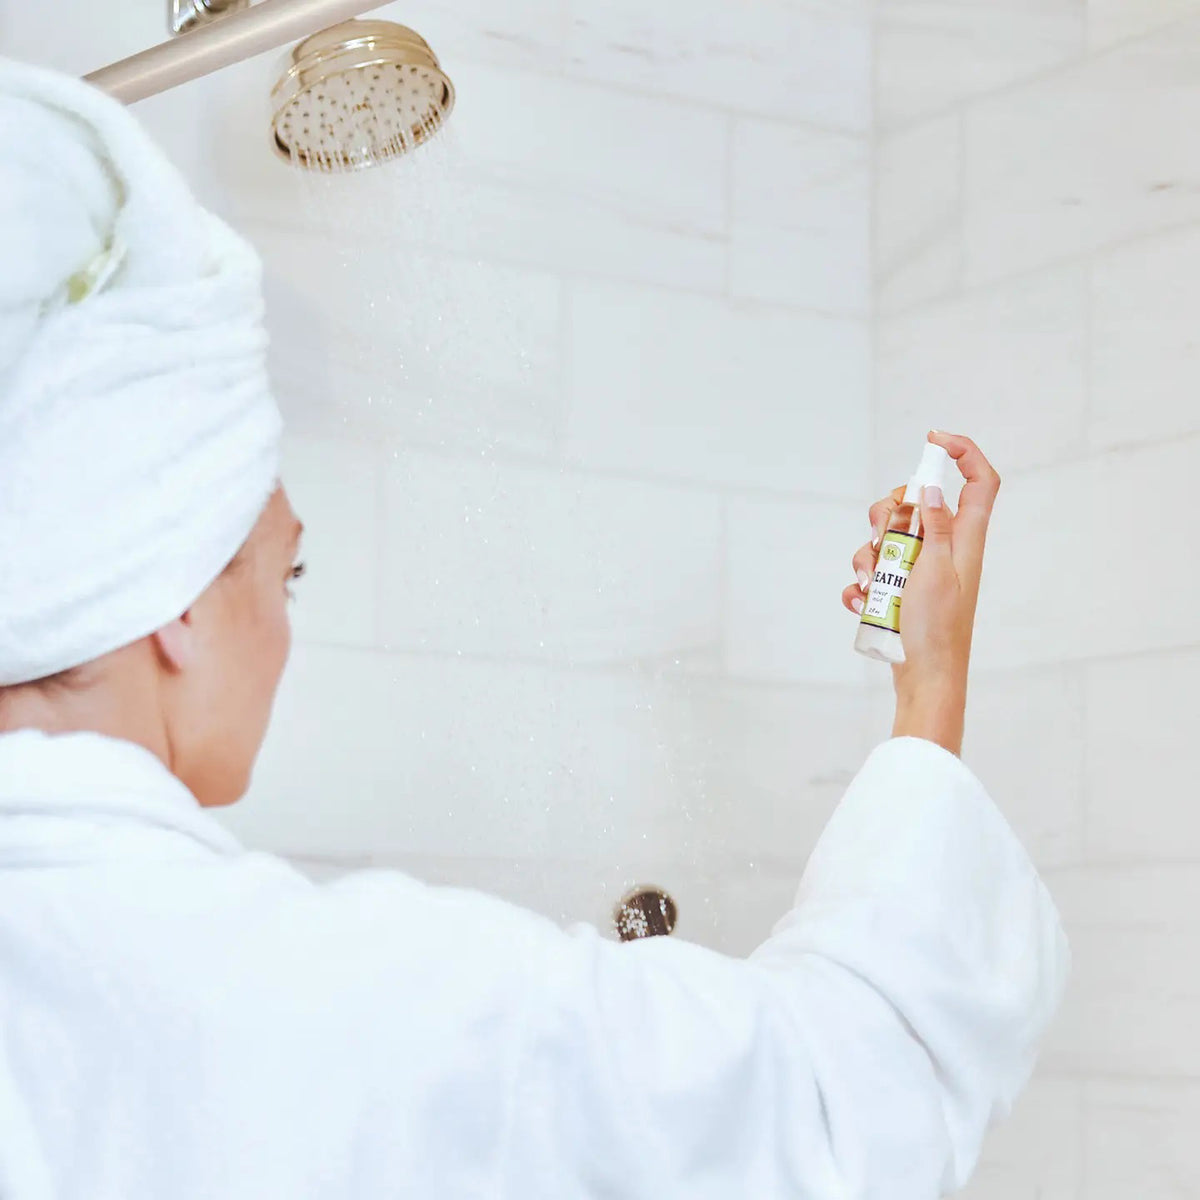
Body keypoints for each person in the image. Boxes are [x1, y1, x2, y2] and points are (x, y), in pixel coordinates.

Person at [0, 58, 1068, 1200]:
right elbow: (841, 1100)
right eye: (284, 573)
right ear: (172, 596)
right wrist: (929, 686)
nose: (283, 633)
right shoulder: (337, 1004)